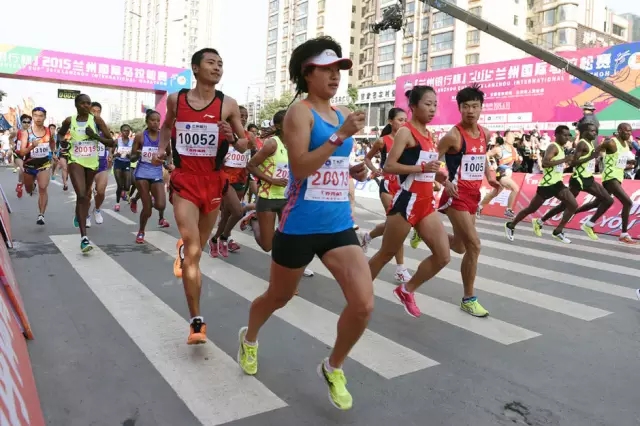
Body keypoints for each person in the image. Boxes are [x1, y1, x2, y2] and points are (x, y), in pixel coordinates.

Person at [237, 36, 370, 411]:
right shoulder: (300, 113)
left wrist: (351, 170)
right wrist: (340, 137)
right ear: (307, 73)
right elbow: (300, 167)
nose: (335, 76)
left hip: (338, 225)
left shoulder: (343, 112)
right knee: (278, 297)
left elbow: (330, 163)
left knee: (363, 305)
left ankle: (333, 367)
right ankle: (249, 338)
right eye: (327, 69)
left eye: (338, 69)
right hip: (299, 226)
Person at [155, 47, 248, 344]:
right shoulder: (176, 99)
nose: (217, 67)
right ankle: (196, 321)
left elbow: (244, 144)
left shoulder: (228, 104)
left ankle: (186, 248)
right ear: (195, 68)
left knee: (198, 248)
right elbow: (166, 126)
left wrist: (233, 138)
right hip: (185, 180)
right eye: (211, 63)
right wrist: (161, 149)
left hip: (213, 181)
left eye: (221, 64)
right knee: (194, 252)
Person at [368, 86, 450, 318]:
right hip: (406, 202)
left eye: (435, 104)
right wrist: (422, 168)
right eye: (427, 104)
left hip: (426, 203)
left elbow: (429, 168)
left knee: (443, 256)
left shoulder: (430, 135)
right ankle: (358, 293)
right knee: (386, 254)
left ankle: (406, 290)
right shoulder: (406, 132)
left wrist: (442, 179)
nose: (432, 109)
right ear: (413, 106)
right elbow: (389, 166)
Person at [436, 84, 500, 318]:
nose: (470, 111)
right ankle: (468, 299)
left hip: (473, 195)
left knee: (461, 246)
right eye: (465, 106)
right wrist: (444, 181)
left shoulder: (485, 133)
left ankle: (425, 232)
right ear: (459, 108)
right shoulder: (452, 136)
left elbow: (481, 158)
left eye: (474, 106)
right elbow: (428, 162)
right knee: (475, 245)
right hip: (456, 195)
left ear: (481, 108)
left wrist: (489, 177)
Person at [535, 122, 613, 240]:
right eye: (592, 131)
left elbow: (588, 160)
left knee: (565, 205)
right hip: (580, 179)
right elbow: (573, 163)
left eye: (596, 131)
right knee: (607, 200)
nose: (595, 133)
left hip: (587, 178)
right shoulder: (582, 143)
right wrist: (591, 157)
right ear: (585, 132)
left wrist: (595, 155)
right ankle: (585, 225)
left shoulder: (590, 143)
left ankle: (541, 221)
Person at [57, 94, 115, 252]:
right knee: (81, 194)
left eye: (88, 103)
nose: (86, 106)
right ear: (76, 105)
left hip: (92, 162)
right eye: (83, 103)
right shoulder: (70, 120)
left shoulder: (96, 121)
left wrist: (95, 136)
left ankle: (79, 213)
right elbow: (60, 134)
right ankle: (84, 238)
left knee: (86, 195)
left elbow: (111, 142)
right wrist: (62, 141)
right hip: (75, 160)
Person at [361, 107, 412, 282]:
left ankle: (368, 235)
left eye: (405, 120)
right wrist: (375, 170)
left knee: (393, 226)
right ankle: (400, 268)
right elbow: (367, 158)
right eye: (400, 119)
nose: (403, 123)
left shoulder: (409, 140)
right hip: (388, 187)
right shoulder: (382, 141)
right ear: (390, 121)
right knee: (397, 227)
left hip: (404, 187)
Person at [504, 125, 577, 243]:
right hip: (547, 185)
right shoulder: (553, 146)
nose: (567, 137)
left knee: (573, 204)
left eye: (568, 135)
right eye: (564, 135)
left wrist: (567, 163)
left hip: (557, 184)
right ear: (557, 135)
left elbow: (557, 166)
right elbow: (545, 163)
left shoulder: (561, 148)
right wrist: (565, 160)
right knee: (531, 209)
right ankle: (511, 225)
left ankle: (558, 230)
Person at [571, 123, 637, 244]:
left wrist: (630, 163)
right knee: (627, 202)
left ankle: (572, 212)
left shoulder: (625, 144)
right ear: (619, 131)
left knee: (597, 203)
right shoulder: (611, 142)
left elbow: (619, 162)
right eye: (626, 131)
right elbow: (595, 152)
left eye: (630, 131)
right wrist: (591, 162)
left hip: (618, 177)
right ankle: (623, 234)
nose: (629, 133)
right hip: (610, 178)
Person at [131, 110, 170, 243]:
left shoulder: (163, 137)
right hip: (142, 173)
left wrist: (167, 163)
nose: (155, 123)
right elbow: (132, 157)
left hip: (156, 173)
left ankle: (140, 200)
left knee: (161, 205)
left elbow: (169, 154)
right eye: (152, 120)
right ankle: (141, 231)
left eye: (158, 121)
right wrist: (137, 154)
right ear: (147, 121)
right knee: (147, 209)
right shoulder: (140, 137)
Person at [18, 107, 55, 225]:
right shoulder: (26, 133)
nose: (38, 118)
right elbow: (22, 152)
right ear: (33, 117)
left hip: (44, 164)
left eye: (41, 116)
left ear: (45, 117)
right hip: (29, 165)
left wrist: (53, 153)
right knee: (28, 189)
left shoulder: (49, 131)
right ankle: (31, 186)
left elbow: (52, 142)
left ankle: (41, 215)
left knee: (43, 188)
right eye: (35, 115)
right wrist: (32, 146)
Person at [478, 130, 521, 218]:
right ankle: (508, 210)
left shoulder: (514, 150)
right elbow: (486, 155)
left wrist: (519, 160)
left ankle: (479, 207)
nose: (513, 139)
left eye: (514, 137)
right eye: (511, 136)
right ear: (505, 138)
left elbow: (517, 162)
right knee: (515, 188)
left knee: (494, 193)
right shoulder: (499, 149)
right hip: (501, 174)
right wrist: (490, 165)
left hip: (509, 173)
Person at [87, 102, 110, 226]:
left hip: (101, 164)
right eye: (93, 111)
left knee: (100, 191)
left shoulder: (104, 127)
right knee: (87, 193)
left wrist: (110, 153)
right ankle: (86, 215)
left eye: (98, 111)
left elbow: (110, 142)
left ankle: (97, 209)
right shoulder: (84, 126)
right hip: (87, 165)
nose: (96, 114)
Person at [113, 124, 133, 211]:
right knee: (120, 185)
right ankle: (117, 203)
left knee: (127, 186)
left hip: (127, 163)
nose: (126, 132)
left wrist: (130, 156)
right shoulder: (117, 141)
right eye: (124, 130)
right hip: (118, 163)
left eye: (128, 130)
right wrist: (115, 155)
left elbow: (134, 154)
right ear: (121, 132)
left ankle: (124, 192)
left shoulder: (132, 141)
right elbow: (111, 153)